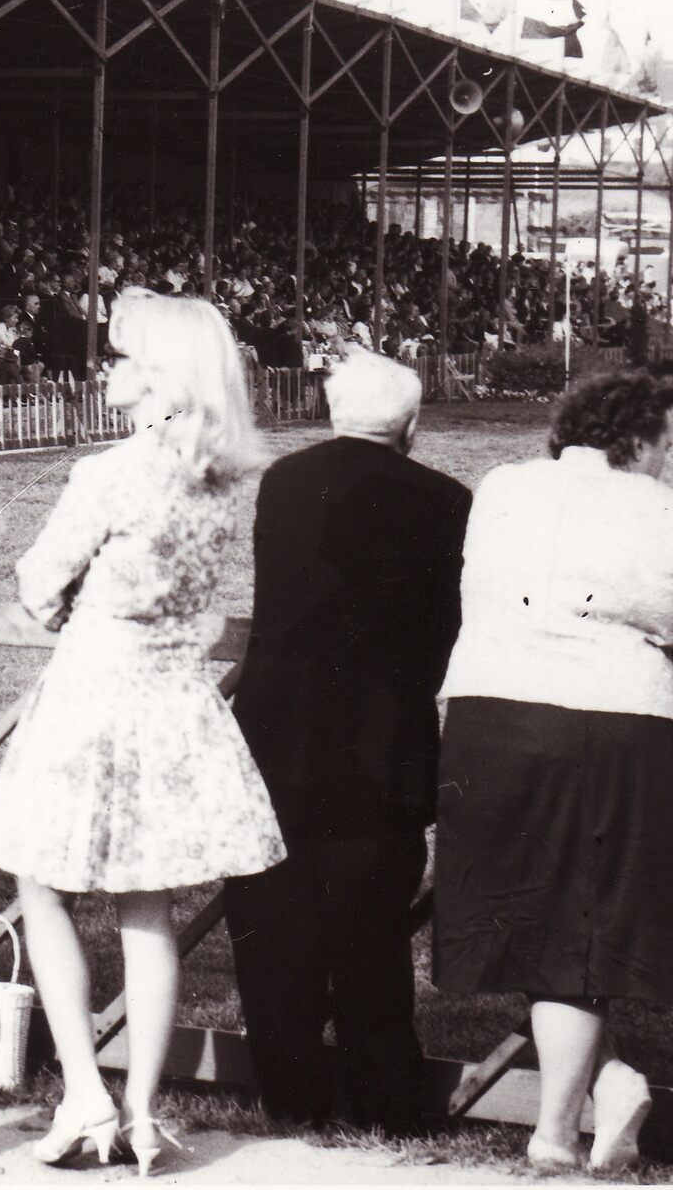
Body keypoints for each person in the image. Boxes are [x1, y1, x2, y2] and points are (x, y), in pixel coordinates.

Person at [0, 289, 284, 1177]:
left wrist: (69, 591)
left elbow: (39, 586)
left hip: (93, 695)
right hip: (175, 702)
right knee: (147, 904)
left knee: (42, 884)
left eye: (121, 357)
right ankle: (143, 1107)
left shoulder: (109, 473)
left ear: (156, 376)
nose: (107, 369)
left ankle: (85, 1091)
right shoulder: (219, 478)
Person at [222, 348, 470, 1134]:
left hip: (278, 727)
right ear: (411, 423)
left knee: (273, 918)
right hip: (381, 735)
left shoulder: (285, 481)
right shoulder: (445, 499)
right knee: (372, 927)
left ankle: (290, 1093)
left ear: (332, 412)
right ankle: (385, 1095)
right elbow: (442, 626)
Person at [434, 371, 673, 1173]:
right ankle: (558, 1128)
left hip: (491, 714)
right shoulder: (656, 508)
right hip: (611, 715)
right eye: (666, 446)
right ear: (635, 439)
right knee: (582, 920)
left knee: (538, 914)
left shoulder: (502, 486)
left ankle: (607, 1084)